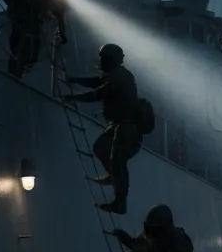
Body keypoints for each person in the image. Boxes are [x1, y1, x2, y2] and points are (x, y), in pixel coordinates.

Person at [63, 43, 154, 214]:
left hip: (128, 127)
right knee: (100, 148)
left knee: (118, 161)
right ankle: (113, 176)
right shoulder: (113, 75)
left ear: (110, 59)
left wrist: (72, 97)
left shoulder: (121, 77)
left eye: (103, 58)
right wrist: (75, 79)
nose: (101, 61)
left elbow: (99, 93)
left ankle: (120, 202)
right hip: (119, 124)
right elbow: (96, 82)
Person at [3, 0, 75, 79]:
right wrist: (48, 6)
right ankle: (16, 70)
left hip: (32, 18)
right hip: (22, 14)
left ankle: (20, 70)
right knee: (26, 42)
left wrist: (62, 32)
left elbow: (59, 13)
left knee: (32, 46)